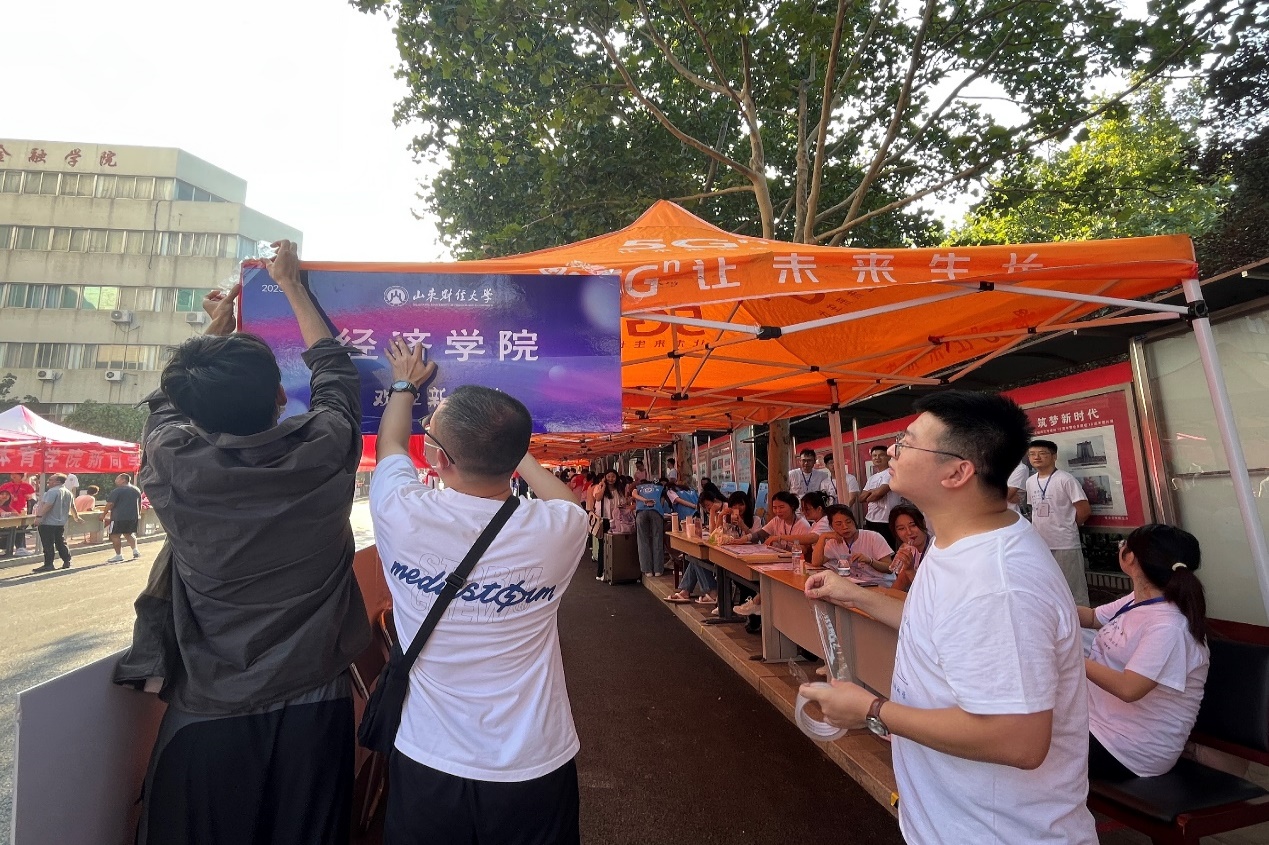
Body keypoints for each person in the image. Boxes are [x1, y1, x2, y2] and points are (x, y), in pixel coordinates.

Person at [126, 240, 370, 845]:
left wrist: (217, 329)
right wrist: (290, 284)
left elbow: (166, 405)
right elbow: (336, 373)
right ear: (281, 395)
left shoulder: (173, 464)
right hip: (316, 704)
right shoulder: (323, 449)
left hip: (208, 713)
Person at [801, 391, 1097, 845]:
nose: (893, 451)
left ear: (957, 472)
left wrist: (872, 710)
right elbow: (935, 624)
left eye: (908, 442)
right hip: (952, 822)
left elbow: (1018, 740)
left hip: (1000, 833)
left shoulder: (999, 583)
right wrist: (851, 593)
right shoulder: (957, 538)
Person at [373, 335, 587, 845]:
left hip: (429, 755)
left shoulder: (401, 514)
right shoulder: (558, 529)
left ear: (439, 458)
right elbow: (568, 501)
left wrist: (404, 385)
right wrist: (512, 451)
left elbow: (391, 447)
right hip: (535, 760)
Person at [1080, 524, 1210, 780]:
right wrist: (1048, 609)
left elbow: (1130, 688)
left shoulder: (1169, 626)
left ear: (1131, 559)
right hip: (1098, 725)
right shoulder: (1139, 599)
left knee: (1027, 738)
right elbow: (1093, 617)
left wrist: (1072, 659)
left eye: (1123, 545)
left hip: (1129, 750)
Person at [1026, 439, 1091, 605]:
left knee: (1073, 588)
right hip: (1041, 543)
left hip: (1065, 543)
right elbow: (1034, 509)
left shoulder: (1065, 479)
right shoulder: (1030, 481)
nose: (1036, 457)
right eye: (1032, 454)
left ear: (1054, 456)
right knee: (1048, 586)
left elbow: (1084, 510)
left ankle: (1082, 620)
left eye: (1042, 453)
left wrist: (1068, 526)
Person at [810, 505, 894, 586]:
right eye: (839, 524)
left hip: (880, 583)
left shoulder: (873, 537)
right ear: (832, 527)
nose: (845, 527)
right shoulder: (833, 542)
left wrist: (870, 561)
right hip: (854, 584)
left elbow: (890, 568)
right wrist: (822, 537)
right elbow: (816, 563)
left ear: (854, 521)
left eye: (848, 522)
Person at [31, 473, 82, 572]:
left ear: (57, 482)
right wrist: (76, 517)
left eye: (51, 480)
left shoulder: (52, 492)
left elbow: (48, 505)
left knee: (48, 544)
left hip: (48, 522)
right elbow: (72, 506)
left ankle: (48, 564)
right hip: (60, 522)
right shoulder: (68, 492)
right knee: (60, 542)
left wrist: (39, 516)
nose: (48, 482)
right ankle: (67, 560)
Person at [859, 444, 900, 544]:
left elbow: (878, 494)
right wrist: (873, 492)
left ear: (888, 457)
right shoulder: (872, 478)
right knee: (873, 548)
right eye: (874, 456)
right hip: (870, 519)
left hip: (886, 521)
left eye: (881, 455)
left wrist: (870, 493)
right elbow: (861, 499)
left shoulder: (891, 473)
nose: (877, 458)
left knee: (888, 549)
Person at [888, 504, 931, 592]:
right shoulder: (908, 549)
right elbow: (900, 583)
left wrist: (910, 570)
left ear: (923, 523)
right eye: (901, 528)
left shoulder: (936, 548)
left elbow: (929, 592)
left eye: (913, 525)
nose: (909, 532)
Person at [633, 474, 669, 577]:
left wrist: (644, 500)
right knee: (657, 539)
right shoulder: (660, 488)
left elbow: (633, 494)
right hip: (656, 511)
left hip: (641, 512)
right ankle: (658, 570)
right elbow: (662, 502)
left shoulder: (638, 487)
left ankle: (647, 570)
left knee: (643, 540)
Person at [103, 472, 144, 562]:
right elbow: (139, 503)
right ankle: (135, 551)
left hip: (118, 517)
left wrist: (103, 514)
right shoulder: (136, 489)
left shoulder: (117, 491)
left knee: (114, 535)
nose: (116, 480)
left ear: (123, 480)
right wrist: (138, 514)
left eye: (118, 478)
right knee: (129, 534)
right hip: (133, 516)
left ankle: (119, 555)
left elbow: (110, 504)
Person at [1, 472, 36, 556]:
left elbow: (31, 499)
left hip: (20, 511)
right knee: (10, 529)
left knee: (19, 529)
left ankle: (20, 548)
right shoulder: (6, 486)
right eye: (11, 474)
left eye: (15, 474)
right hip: (6, 516)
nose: (13, 476)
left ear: (21, 476)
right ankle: (12, 548)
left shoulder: (26, 486)